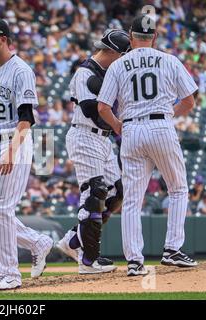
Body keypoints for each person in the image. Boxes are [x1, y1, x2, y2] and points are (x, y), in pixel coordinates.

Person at [97, 15, 199, 276]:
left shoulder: (118, 65)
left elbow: (102, 107)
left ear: (131, 37)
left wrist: (120, 126)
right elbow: (189, 102)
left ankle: (134, 261)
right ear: (154, 37)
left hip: (130, 129)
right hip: (161, 125)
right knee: (178, 188)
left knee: (132, 199)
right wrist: (169, 114)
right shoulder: (169, 60)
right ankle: (172, 249)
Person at [0, 17, 53, 290]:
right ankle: (37, 242)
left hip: (13, 140)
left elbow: (27, 117)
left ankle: (9, 274)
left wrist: (11, 151)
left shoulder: (21, 71)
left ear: (3, 39)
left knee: (3, 207)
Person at [56, 28, 129, 274]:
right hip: (85, 135)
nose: (124, 60)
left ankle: (74, 241)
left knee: (116, 193)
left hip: (103, 139)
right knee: (94, 193)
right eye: (122, 55)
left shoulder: (109, 73)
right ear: (110, 51)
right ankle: (88, 260)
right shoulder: (85, 72)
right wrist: (120, 126)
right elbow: (91, 110)